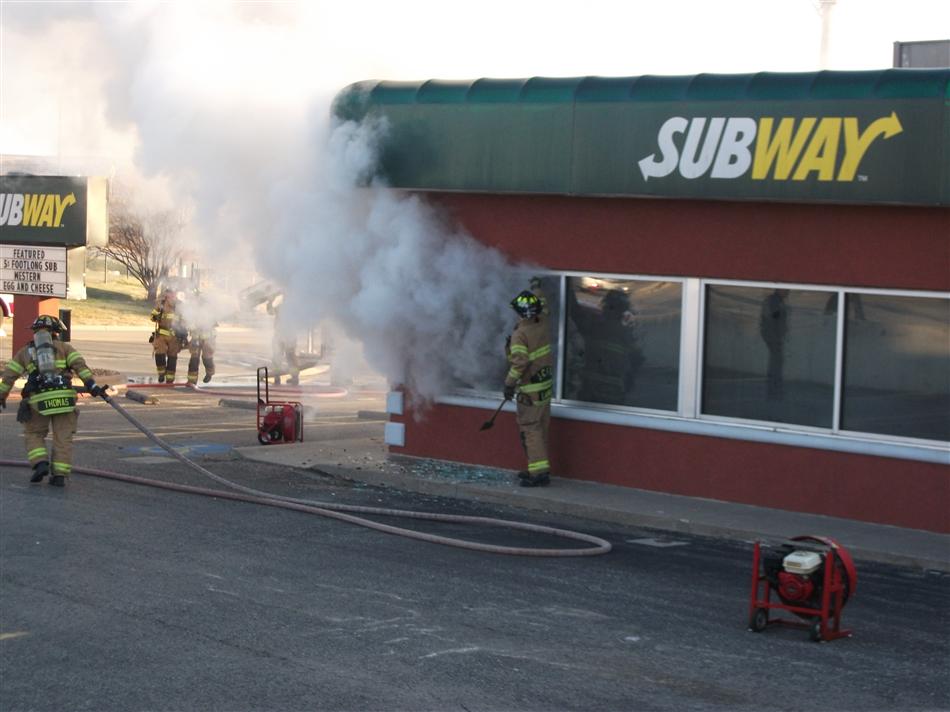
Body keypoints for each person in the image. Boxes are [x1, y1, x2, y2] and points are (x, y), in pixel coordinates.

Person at [0, 315, 108, 486]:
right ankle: (59, 475)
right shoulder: (65, 348)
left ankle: (40, 463)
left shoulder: (25, 352)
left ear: (35, 331)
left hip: (38, 399)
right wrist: (92, 386)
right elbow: (81, 367)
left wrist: (1, 396)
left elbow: (8, 377)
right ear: (56, 332)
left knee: (34, 433)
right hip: (64, 398)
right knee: (63, 437)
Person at [504, 283, 554, 487]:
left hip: (529, 393)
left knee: (530, 430)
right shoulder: (542, 322)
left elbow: (519, 364)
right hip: (545, 388)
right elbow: (543, 306)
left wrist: (508, 385)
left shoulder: (520, 335)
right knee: (541, 428)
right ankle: (537, 468)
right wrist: (537, 288)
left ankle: (539, 474)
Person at [150, 289, 187, 383]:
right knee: (159, 354)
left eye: (173, 294)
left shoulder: (180, 306)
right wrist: (155, 316)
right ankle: (161, 374)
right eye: (169, 294)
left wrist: (184, 333)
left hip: (175, 336)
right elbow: (152, 316)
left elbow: (185, 320)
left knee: (172, 357)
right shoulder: (161, 304)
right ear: (167, 295)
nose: (171, 296)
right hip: (161, 334)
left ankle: (170, 378)